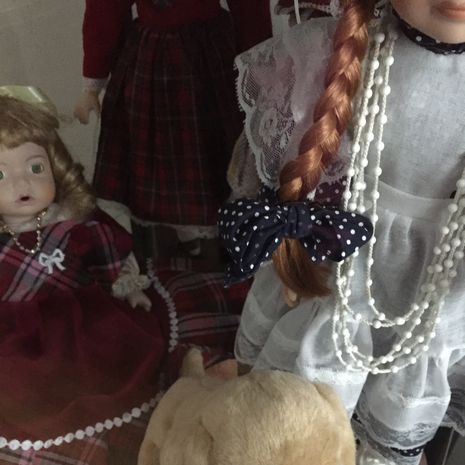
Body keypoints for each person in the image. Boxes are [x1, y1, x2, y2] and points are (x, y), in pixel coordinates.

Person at [220, 1, 465, 464]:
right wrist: (286, 243)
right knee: (292, 424)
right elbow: (264, 173)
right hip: (330, 274)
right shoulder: (325, 52)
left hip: (438, 297)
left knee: (393, 428)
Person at [0, 91, 242, 451]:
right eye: (2, 174)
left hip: (85, 321)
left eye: (36, 168)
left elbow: (109, 256)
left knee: (114, 366)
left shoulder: (71, 222)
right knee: (20, 387)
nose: (22, 185)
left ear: (55, 166)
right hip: (19, 336)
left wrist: (129, 286)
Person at [73, 0, 272, 264]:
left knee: (216, 153)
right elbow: (105, 11)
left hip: (211, 57)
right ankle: (169, 252)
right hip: (149, 61)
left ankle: (224, 248)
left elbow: (249, 9)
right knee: (153, 163)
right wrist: (92, 83)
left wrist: (261, 66)